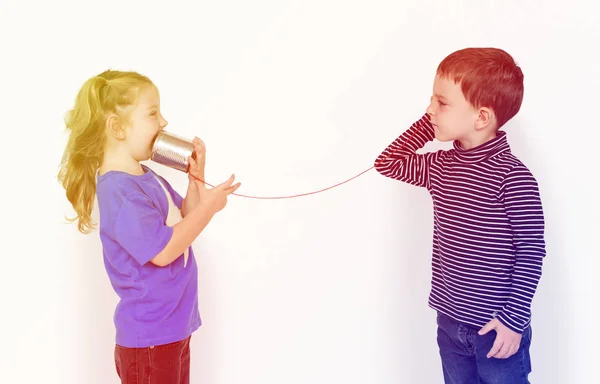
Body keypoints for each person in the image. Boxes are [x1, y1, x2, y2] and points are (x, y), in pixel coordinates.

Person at [374, 48, 546, 383]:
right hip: (450, 321)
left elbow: (531, 251)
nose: (429, 110)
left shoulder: (513, 177)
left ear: (481, 117)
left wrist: (514, 319)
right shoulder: (440, 166)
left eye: (441, 103)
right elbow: (388, 163)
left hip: (497, 327)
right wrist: (429, 124)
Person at [58, 69, 240, 383]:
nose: (164, 122)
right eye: (153, 113)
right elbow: (165, 250)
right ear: (117, 128)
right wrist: (209, 209)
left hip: (172, 328)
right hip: (150, 339)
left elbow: (181, 220)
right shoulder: (120, 192)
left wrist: (196, 181)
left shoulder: (144, 176)